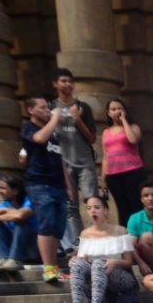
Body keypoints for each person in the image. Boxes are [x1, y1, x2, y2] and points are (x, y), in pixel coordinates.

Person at [20, 96, 69, 285]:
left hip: (58, 184)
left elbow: (61, 160)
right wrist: (55, 118)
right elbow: (39, 139)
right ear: (31, 110)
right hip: (39, 183)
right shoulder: (28, 128)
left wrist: (69, 186)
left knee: (58, 226)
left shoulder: (54, 134)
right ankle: (48, 268)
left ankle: (54, 267)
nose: (47, 110)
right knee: (47, 223)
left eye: (48, 107)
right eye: (42, 107)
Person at [50, 69, 99, 245]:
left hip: (85, 161)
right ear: (55, 83)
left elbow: (92, 138)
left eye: (70, 81)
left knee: (92, 202)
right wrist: (54, 121)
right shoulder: (50, 107)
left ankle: (94, 239)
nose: (68, 84)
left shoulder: (83, 107)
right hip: (62, 163)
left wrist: (78, 119)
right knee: (70, 206)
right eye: (63, 81)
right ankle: (79, 243)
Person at [70, 193, 137, 303]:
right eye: (89, 208)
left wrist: (114, 262)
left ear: (105, 210)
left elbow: (129, 262)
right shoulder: (85, 233)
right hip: (96, 275)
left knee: (98, 263)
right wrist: (74, 260)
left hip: (119, 275)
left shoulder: (121, 230)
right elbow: (84, 261)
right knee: (78, 264)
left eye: (97, 207)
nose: (93, 211)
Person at [102, 97, 147, 223]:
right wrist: (103, 180)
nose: (116, 111)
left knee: (136, 206)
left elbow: (133, 140)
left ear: (125, 111)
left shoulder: (134, 127)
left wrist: (123, 120)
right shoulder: (106, 132)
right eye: (113, 109)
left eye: (119, 108)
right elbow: (105, 157)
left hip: (133, 171)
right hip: (113, 175)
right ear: (108, 113)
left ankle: (138, 232)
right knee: (122, 208)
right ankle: (125, 233)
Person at [0, 173, 34, 273]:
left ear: (15, 191)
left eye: (3, 188)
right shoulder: (4, 204)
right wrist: (2, 210)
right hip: (14, 244)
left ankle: (15, 260)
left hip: (32, 245)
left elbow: (20, 216)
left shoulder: (28, 200)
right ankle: (3, 258)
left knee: (21, 222)